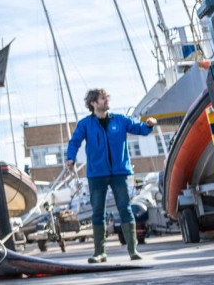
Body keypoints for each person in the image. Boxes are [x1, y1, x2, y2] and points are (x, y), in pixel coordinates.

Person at [65, 88, 156, 263]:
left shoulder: (120, 120)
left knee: (125, 209)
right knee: (98, 212)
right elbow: (74, 141)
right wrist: (70, 158)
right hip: (96, 174)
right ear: (93, 103)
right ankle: (100, 253)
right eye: (103, 99)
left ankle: (133, 250)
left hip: (119, 172)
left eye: (107, 98)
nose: (107, 101)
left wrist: (149, 125)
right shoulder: (85, 124)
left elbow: (139, 128)